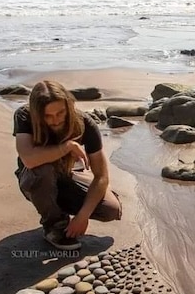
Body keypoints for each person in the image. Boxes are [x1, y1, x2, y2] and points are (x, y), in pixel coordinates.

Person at [13, 79, 122, 250]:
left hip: (69, 174)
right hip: (35, 179)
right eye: (48, 116)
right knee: (42, 167)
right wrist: (67, 147)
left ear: (69, 106)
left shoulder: (84, 123)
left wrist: (83, 216)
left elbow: (101, 176)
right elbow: (29, 159)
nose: (55, 120)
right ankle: (54, 224)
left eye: (60, 113)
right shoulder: (24, 116)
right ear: (37, 113)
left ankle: (60, 205)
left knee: (110, 210)